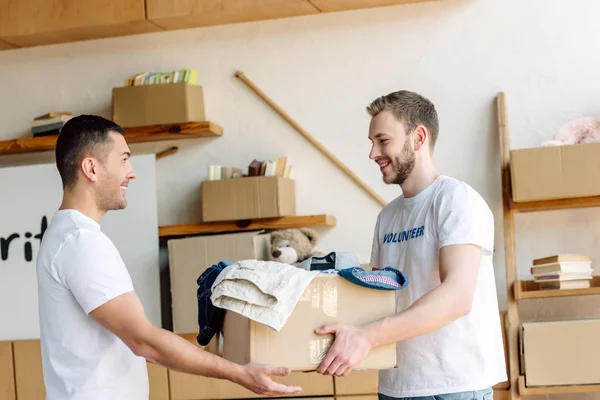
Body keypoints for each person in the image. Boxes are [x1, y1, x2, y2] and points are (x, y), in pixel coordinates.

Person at [36, 115, 302, 400]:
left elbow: (139, 341)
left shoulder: (67, 236)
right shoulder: (80, 241)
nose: (131, 172)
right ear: (91, 168)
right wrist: (239, 372)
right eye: (124, 159)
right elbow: (144, 341)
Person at [314, 91, 507, 400]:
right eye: (371, 142)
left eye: (382, 140)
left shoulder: (457, 200)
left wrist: (367, 336)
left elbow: (458, 297)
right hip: (395, 386)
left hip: (454, 387)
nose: (373, 152)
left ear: (418, 137)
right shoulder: (387, 217)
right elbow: (378, 299)